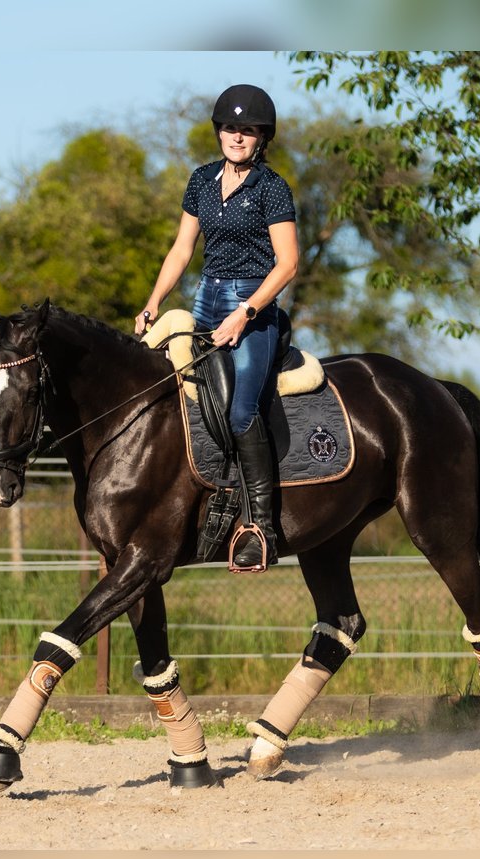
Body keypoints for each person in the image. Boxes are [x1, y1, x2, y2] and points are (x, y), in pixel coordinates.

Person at [136, 84, 299, 571]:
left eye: (247, 130)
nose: (237, 136)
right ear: (219, 132)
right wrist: (153, 302)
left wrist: (245, 313)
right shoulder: (202, 181)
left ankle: (261, 526)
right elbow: (183, 250)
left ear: (261, 138)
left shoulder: (272, 188)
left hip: (252, 312)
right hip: (204, 302)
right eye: (230, 127)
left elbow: (288, 264)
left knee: (241, 411)